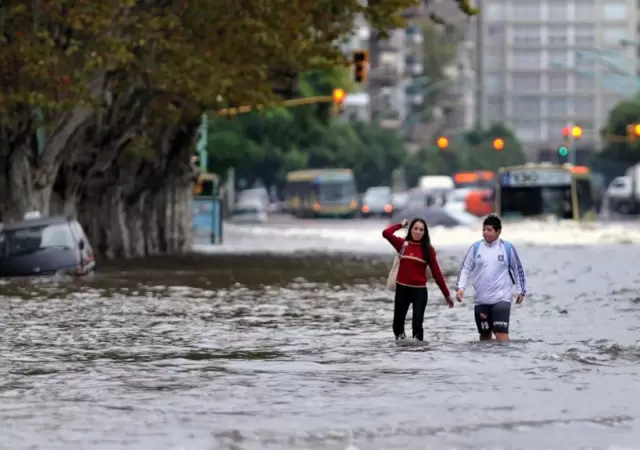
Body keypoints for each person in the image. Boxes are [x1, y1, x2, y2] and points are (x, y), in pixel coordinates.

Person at [455, 215, 528, 342]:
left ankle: (508, 360)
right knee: (484, 337)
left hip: (501, 299)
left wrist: (521, 290)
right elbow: (465, 269)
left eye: (489, 230)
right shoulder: (476, 248)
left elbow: (518, 269)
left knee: (501, 335)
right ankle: (485, 362)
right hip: (481, 300)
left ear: (498, 231)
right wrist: (460, 288)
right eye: (483, 229)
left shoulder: (507, 248)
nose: (485, 233)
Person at [382, 218, 454, 341]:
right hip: (402, 290)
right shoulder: (402, 244)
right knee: (397, 326)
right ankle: (403, 351)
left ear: (424, 233)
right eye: (415, 228)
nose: (418, 232)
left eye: (421, 230)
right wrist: (401, 225)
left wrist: (447, 295)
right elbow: (386, 233)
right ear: (410, 230)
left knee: (417, 326)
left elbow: (437, 274)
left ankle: (418, 355)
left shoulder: (428, 250)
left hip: (419, 292)